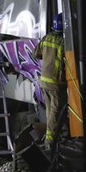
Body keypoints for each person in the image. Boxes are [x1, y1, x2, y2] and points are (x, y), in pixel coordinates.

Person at [32, 13, 67, 152]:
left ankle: (52, 137)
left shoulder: (47, 38)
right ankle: (50, 141)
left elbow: (35, 54)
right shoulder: (64, 42)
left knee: (49, 111)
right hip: (56, 82)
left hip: (44, 81)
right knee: (55, 111)